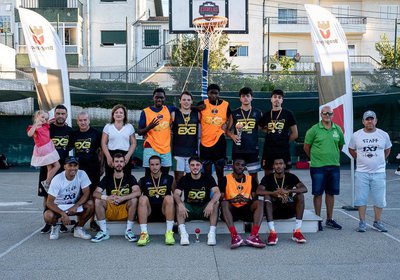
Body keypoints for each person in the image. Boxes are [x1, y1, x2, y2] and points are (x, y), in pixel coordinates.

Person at [348, 110, 392, 232]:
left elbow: (387, 150)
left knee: (379, 198)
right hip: (362, 172)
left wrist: (380, 160)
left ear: (376, 120)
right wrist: (360, 158)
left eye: (372, 119)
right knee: (361, 198)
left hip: (379, 172)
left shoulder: (383, 135)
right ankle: (362, 222)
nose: (370, 121)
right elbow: (351, 149)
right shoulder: (356, 135)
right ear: (363, 121)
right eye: (367, 119)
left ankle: (377, 221)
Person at [304, 106, 345, 231]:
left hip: (334, 166)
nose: (327, 115)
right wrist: (316, 158)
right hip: (318, 167)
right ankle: (318, 220)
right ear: (321, 114)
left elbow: (340, 146)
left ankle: (329, 219)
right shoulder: (314, 130)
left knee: (330, 193)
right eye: (325, 113)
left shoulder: (337, 129)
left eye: (330, 113)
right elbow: (306, 147)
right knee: (317, 193)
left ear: (333, 115)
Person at [37, 105, 72, 234]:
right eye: (58, 113)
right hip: (47, 167)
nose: (60, 116)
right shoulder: (47, 128)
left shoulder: (70, 131)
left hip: (63, 168)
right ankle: (48, 222)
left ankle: (61, 222)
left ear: (66, 116)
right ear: (54, 115)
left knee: (60, 196)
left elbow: (71, 147)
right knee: (46, 196)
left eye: (63, 114)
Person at [91, 153, 141, 242]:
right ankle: (103, 231)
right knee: (98, 200)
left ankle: (128, 231)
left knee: (134, 199)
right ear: (112, 163)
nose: (119, 164)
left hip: (125, 210)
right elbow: (95, 193)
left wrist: (123, 198)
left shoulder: (130, 177)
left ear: (124, 163)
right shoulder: (107, 178)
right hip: (111, 209)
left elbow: (137, 192)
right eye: (116, 161)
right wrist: (107, 197)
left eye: (121, 161)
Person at [257, 158, 308, 245]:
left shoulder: (291, 177)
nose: (278, 166)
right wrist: (274, 193)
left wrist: (288, 191)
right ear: (273, 166)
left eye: (281, 164)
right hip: (274, 211)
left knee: (300, 196)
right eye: (276, 164)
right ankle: (272, 233)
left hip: (289, 208)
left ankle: (297, 232)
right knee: (267, 196)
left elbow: (304, 188)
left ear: (284, 165)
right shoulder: (268, 178)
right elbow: (259, 191)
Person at [44, 156, 94, 240]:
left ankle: (78, 228)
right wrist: (63, 214)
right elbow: (49, 202)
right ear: (65, 166)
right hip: (59, 205)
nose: (73, 168)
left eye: (75, 165)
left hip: (73, 204)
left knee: (91, 205)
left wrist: (76, 206)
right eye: (70, 165)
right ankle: (55, 226)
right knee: (48, 216)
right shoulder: (57, 179)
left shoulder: (82, 174)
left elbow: (86, 193)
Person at [174, 156, 220, 246]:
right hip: (189, 209)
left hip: (205, 209)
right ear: (189, 166)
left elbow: (217, 192)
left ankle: (211, 234)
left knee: (216, 203)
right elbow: (176, 194)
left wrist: (211, 203)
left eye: (197, 165)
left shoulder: (208, 177)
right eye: (192, 165)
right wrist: (180, 204)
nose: (195, 167)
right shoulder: (185, 178)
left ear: (201, 166)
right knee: (179, 205)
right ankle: (183, 234)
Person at [220, 158, 265, 249]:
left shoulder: (251, 179)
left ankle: (254, 235)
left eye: (242, 165)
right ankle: (234, 236)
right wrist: (232, 200)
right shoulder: (225, 179)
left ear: (245, 168)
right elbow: (220, 198)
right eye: (237, 164)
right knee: (224, 203)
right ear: (232, 166)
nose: (240, 167)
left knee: (260, 202)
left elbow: (255, 198)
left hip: (246, 209)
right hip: (231, 211)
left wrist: (247, 200)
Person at [70, 111, 102, 231]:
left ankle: (93, 222)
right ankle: (80, 221)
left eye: (85, 120)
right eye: (80, 120)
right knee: (80, 195)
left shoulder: (96, 134)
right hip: (78, 171)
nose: (83, 122)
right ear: (77, 121)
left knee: (93, 195)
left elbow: (101, 151)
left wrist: (102, 166)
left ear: (89, 120)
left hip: (93, 168)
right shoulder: (74, 134)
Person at [137, 155, 175, 246]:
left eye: (157, 164)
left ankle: (169, 233)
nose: (154, 167)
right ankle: (144, 234)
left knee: (169, 197)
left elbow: (177, 195)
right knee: (142, 198)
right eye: (152, 165)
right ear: (149, 166)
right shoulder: (143, 180)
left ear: (161, 165)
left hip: (164, 212)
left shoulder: (169, 178)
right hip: (148, 212)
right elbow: (136, 196)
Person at [227, 87, 263, 183]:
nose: (245, 98)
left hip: (252, 149)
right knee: (237, 176)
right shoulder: (234, 113)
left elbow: (262, 127)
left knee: (254, 177)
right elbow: (227, 130)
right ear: (240, 98)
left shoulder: (258, 112)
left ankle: (255, 197)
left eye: (248, 96)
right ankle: (237, 197)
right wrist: (233, 136)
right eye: (243, 96)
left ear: (252, 98)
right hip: (238, 150)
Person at [259, 89, 298, 176]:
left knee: (286, 174)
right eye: (275, 97)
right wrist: (265, 130)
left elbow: (295, 134)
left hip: (283, 150)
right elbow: (259, 127)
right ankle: (269, 190)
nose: (277, 99)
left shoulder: (288, 114)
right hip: (269, 149)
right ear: (271, 99)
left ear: (282, 100)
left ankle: (284, 190)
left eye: (279, 97)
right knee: (268, 175)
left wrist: (283, 141)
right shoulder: (266, 115)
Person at [137, 88, 176, 175]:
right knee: (149, 174)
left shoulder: (169, 109)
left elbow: (184, 108)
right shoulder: (145, 112)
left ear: (164, 98)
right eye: (157, 97)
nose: (159, 99)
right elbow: (139, 132)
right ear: (153, 98)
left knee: (165, 174)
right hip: (150, 147)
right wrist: (149, 127)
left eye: (161, 97)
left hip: (165, 148)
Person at [197, 84, 231, 182]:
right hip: (205, 143)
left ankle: (221, 195)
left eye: (216, 93)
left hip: (219, 142)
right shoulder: (202, 103)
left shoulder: (225, 104)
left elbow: (231, 117)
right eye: (211, 93)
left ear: (219, 94)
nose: (214, 95)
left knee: (220, 172)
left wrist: (227, 129)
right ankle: (208, 195)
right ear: (207, 93)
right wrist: (196, 108)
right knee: (207, 173)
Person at [27, 110, 60, 189]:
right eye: (42, 117)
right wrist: (35, 125)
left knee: (50, 167)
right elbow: (29, 134)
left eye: (45, 118)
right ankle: (47, 182)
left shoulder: (45, 125)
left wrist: (51, 121)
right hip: (44, 149)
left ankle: (47, 183)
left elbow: (50, 122)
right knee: (57, 165)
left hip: (49, 147)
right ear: (37, 116)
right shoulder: (33, 128)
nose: (44, 120)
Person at [171, 91, 199, 183]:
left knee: (190, 178)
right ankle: (176, 197)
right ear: (180, 101)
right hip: (178, 152)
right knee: (178, 178)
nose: (186, 102)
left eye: (188, 100)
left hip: (192, 152)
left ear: (191, 101)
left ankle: (187, 197)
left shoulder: (197, 114)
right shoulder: (174, 114)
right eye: (184, 100)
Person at [101, 104, 137, 177]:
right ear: (113, 115)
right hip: (111, 154)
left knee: (126, 177)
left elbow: (133, 143)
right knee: (110, 177)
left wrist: (128, 156)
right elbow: (103, 143)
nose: (118, 114)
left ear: (124, 115)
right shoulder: (108, 127)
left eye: (121, 112)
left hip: (125, 154)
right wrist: (108, 157)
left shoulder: (129, 127)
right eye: (116, 112)